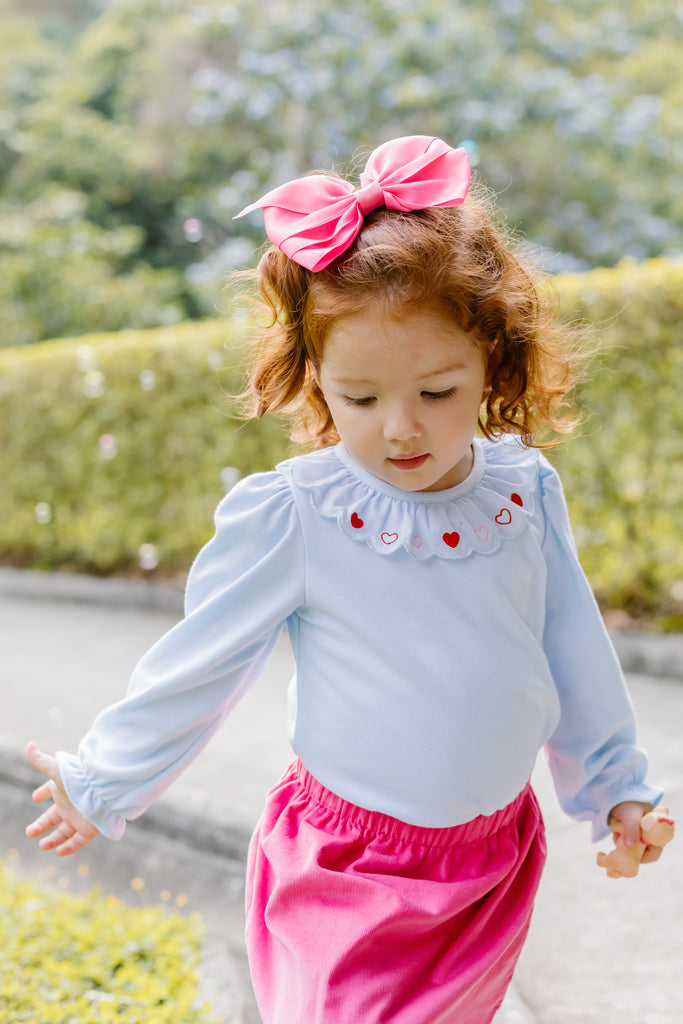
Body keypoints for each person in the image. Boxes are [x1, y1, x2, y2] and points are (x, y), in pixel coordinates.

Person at [26, 135, 666, 1024]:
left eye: (436, 392)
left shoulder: (522, 492)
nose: (399, 428)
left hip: (488, 864)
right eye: (359, 399)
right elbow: (201, 664)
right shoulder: (299, 513)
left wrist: (615, 788)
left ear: (490, 358)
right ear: (316, 378)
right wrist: (103, 778)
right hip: (346, 866)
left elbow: (570, 648)